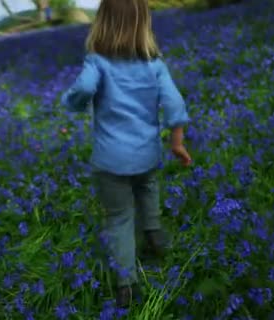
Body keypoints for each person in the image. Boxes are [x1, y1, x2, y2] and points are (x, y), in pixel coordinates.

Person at [60, 0, 192, 308]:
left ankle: (126, 284)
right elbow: (174, 103)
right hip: (147, 153)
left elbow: (84, 88)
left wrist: (74, 103)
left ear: (102, 22)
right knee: (148, 187)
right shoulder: (154, 64)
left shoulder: (97, 61)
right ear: (143, 24)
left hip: (111, 160)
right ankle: (155, 235)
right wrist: (176, 142)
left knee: (118, 218)